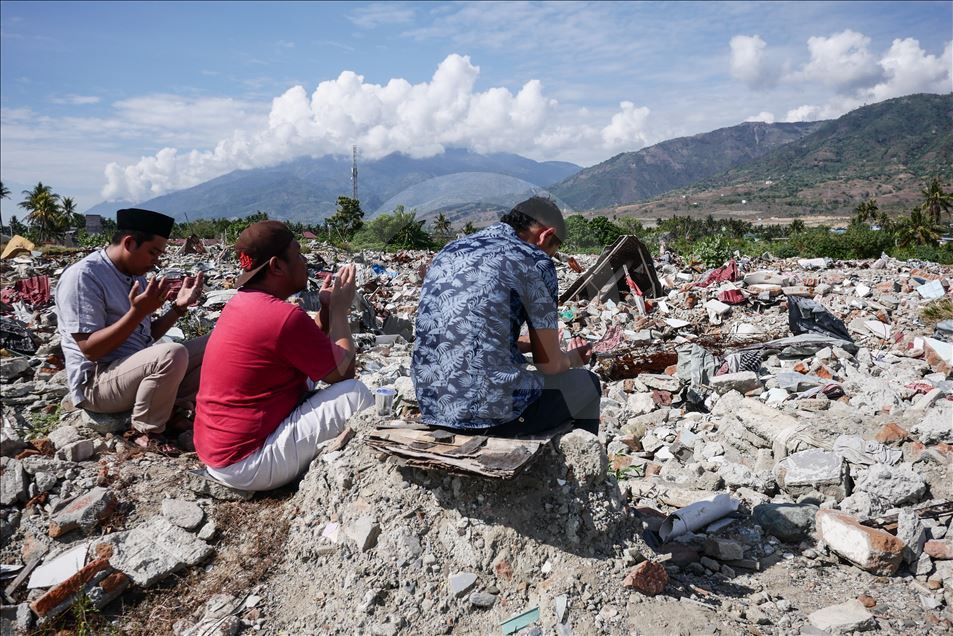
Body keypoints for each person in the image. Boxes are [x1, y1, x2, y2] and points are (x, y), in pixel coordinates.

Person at [193, 220, 372, 491]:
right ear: (277, 266)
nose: (304, 261)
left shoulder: (243, 303)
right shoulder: (283, 316)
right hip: (248, 463)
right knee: (356, 394)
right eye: (298, 254)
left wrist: (324, 310)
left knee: (311, 377)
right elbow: (344, 373)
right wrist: (338, 311)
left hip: (217, 451)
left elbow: (305, 345)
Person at [412, 196, 601, 436]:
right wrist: (572, 358)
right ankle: (575, 469)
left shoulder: (451, 250)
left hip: (433, 406)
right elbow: (549, 366)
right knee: (587, 384)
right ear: (545, 235)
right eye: (552, 251)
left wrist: (528, 344)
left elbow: (469, 330)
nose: (549, 257)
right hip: (490, 415)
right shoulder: (536, 260)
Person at [55, 208, 206, 452]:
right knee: (172, 354)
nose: (156, 261)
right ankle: (145, 429)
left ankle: (173, 408)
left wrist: (178, 308)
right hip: (97, 384)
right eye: (153, 252)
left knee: (216, 343)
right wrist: (136, 313)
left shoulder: (135, 275)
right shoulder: (84, 277)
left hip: (130, 374)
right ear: (130, 243)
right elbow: (91, 350)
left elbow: (145, 338)